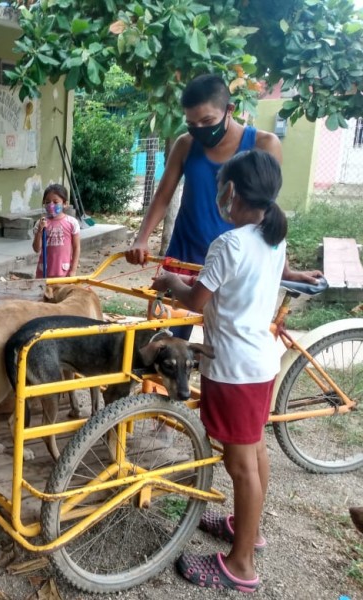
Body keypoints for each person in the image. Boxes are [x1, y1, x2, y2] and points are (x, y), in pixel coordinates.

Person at [151, 150, 288, 592]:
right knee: (255, 451)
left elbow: (195, 302)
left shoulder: (228, 243)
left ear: (230, 191)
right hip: (260, 362)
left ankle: (241, 564)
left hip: (234, 368)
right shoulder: (273, 235)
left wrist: (172, 282)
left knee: (240, 462)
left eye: (219, 189)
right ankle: (248, 530)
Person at [126, 74, 320, 337]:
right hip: (184, 255)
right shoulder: (185, 144)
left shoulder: (264, 145)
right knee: (164, 342)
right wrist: (142, 238)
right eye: (192, 123)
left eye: (207, 121)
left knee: (224, 338)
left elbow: (268, 210)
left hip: (234, 261)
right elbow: (163, 196)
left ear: (230, 110)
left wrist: (282, 269)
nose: (200, 129)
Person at [31, 183, 81, 278]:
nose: (51, 205)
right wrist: (40, 231)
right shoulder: (40, 223)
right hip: (44, 272)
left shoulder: (71, 222)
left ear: (65, 204)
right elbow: (36, 249)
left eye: (55, 202)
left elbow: (76, 248)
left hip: (63, 272)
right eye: (47, 202)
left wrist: (73, 270)